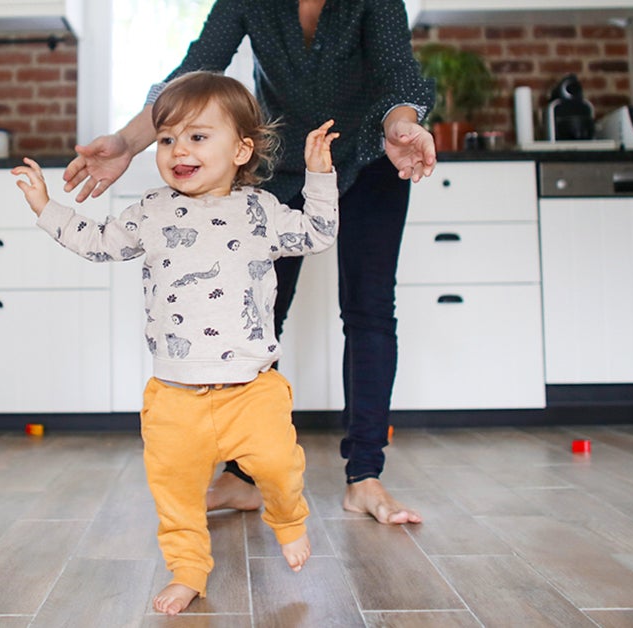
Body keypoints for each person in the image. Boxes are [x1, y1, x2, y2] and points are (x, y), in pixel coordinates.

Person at [62, 0, 435, 526]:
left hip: (372, 159)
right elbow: (195, 71)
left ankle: (365, 478)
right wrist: (127, 142)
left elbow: (400, 76)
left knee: (369, 310)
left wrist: (401, 127)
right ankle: (241, 478)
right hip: (282, 165)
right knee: (252, 310)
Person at [13, 71, 339, 616]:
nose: (177, 150)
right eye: (166, 139)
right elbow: (99, 244)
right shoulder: (152, 210)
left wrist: (318, 175)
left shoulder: (260, 211)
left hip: (250, 390)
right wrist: (48, 209)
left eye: (196, 137)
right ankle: (188, 570)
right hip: (174, 396)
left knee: (281, 468)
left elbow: (318, 234)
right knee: (176, 495)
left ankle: (288, 521)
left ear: (241, 150)